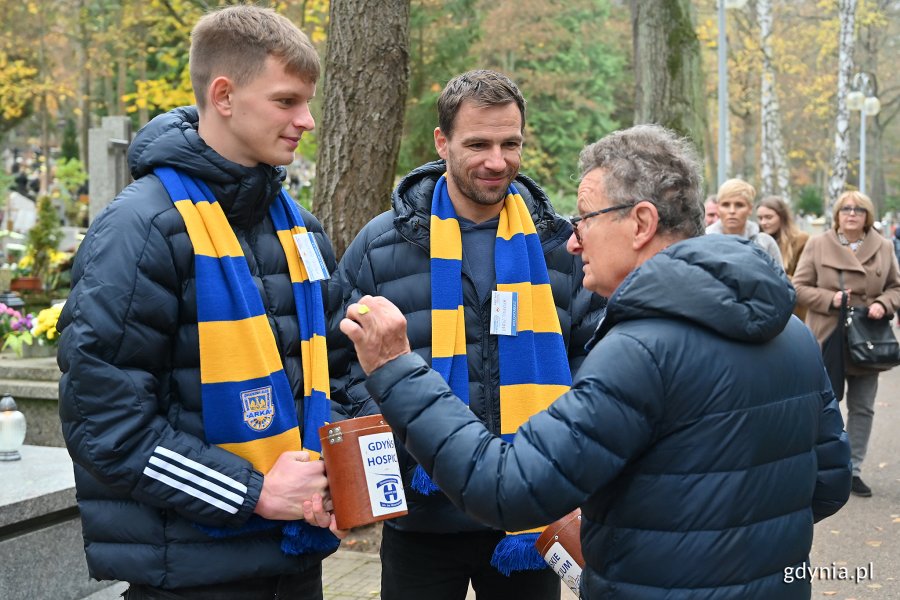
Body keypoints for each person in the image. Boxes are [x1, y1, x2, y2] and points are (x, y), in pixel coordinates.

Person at [340, 124, 851, 599]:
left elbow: (504, 487)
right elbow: (828, 482)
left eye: (586, 218)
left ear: (641, 222)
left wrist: (397, 367)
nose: (573, 239)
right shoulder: (790, 332)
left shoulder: (639, 351)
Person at [57, 6, 343, 599]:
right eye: (287, 101)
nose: (307, 121)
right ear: (225, 95)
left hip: (297, 558)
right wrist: (253, 491)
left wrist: (342, 470)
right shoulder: (140, 230)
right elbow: (106, 426)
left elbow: (340, 367)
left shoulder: (302, 230)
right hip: (194, 575)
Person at [331, 69, 604, 599]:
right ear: (443, 142)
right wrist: (407, 442)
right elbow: (343, 366)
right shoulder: (380, 245)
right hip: (423, 513)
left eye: (511, 143)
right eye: (478, 143)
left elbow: (592, 361)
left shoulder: (562, 248)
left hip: (530, 514)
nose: (497, 161)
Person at [793, 191, 900, 498]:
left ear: (867, 215)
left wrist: (884, 303)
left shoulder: (884, 246)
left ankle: (852, 468)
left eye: (859, 209)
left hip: (868, 339)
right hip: (828, 335)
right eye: (846, 209)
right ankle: (818, 466)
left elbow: (896, 287)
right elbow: (798, 287)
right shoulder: (818, 243)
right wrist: (831, 299)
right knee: (822, 404)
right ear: (837, 214)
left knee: (863, 406)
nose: (852, 214)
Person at [757, 195, 811, 319]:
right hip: (766, 311)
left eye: (769, 217)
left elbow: (805, 280)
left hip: (795, 311)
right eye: (760, 218)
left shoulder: (801, 240)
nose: (763, 222)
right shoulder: (757, 240)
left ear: (782, 217)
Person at [706, 177, 783, 264]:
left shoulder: (764, 243)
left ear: (750, 208)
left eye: (739, 205)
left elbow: (779, 276)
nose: (732, 211)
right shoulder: (703, 241)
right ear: (718, 208)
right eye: (725, 205)